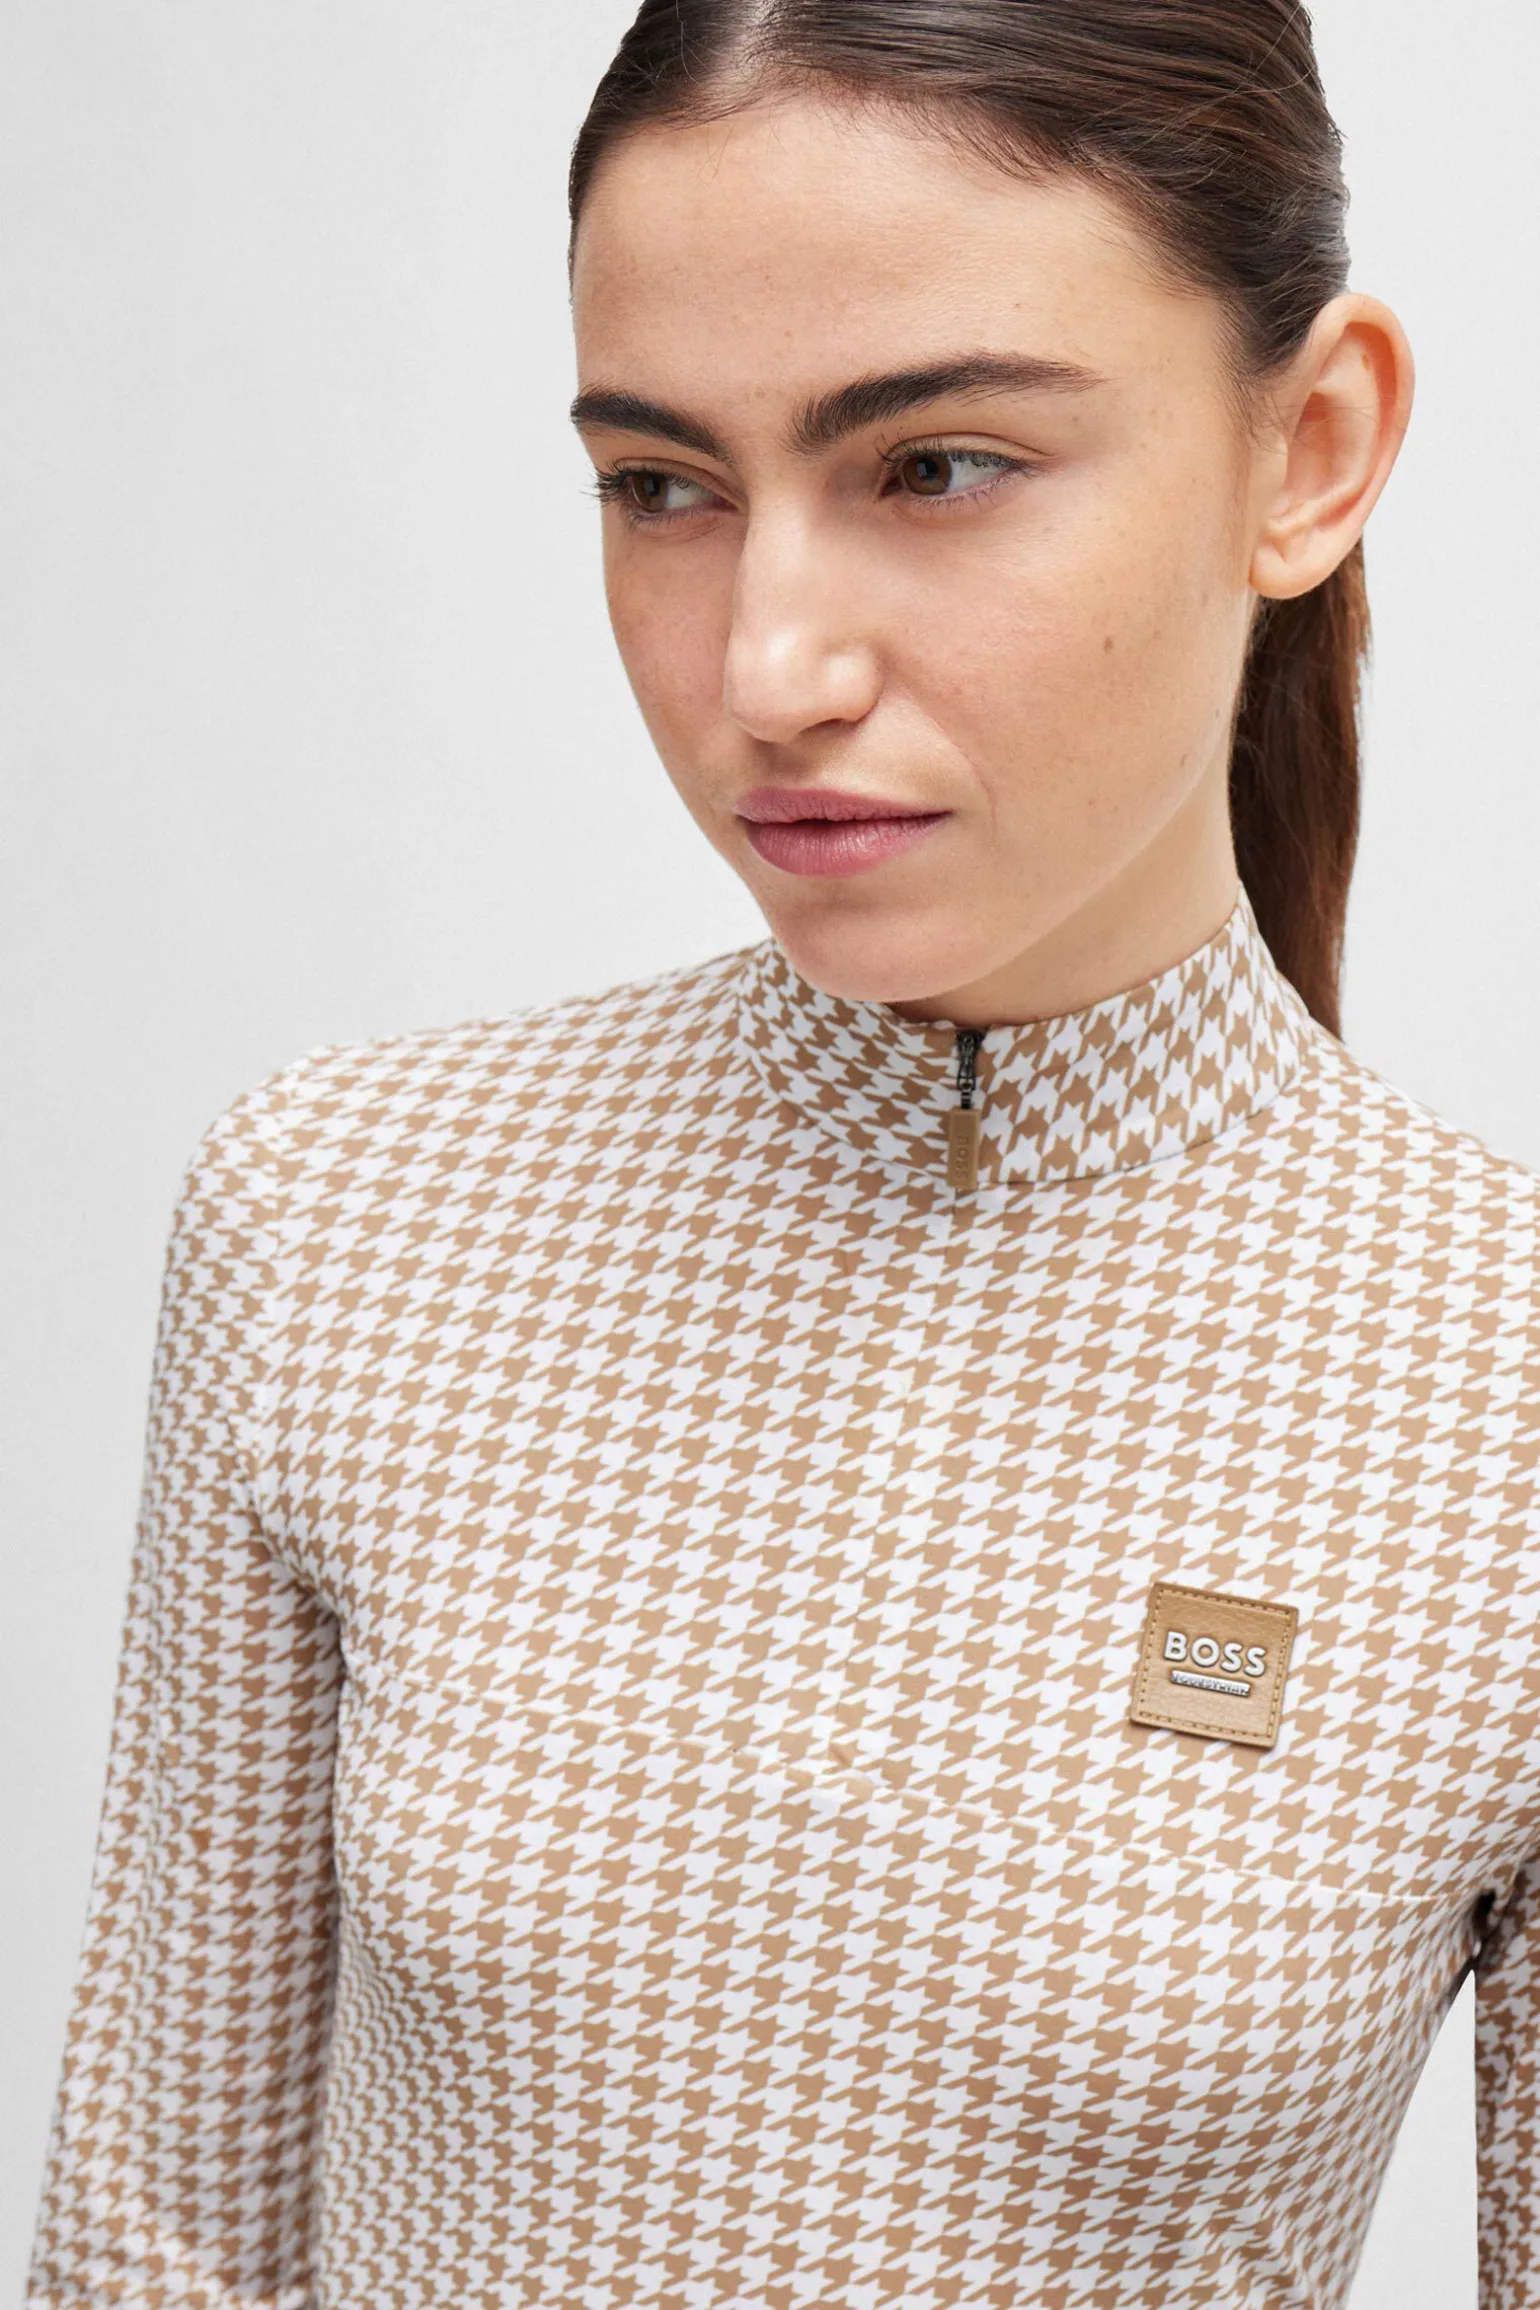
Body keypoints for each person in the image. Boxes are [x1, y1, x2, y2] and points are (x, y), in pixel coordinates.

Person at [26, 2, 1540, 2305]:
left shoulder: (1494, 1388)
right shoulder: (342, 1218)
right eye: (662, 484)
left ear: (1306, 448)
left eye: (934, 465)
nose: (766, 667)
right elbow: (156, 2238)